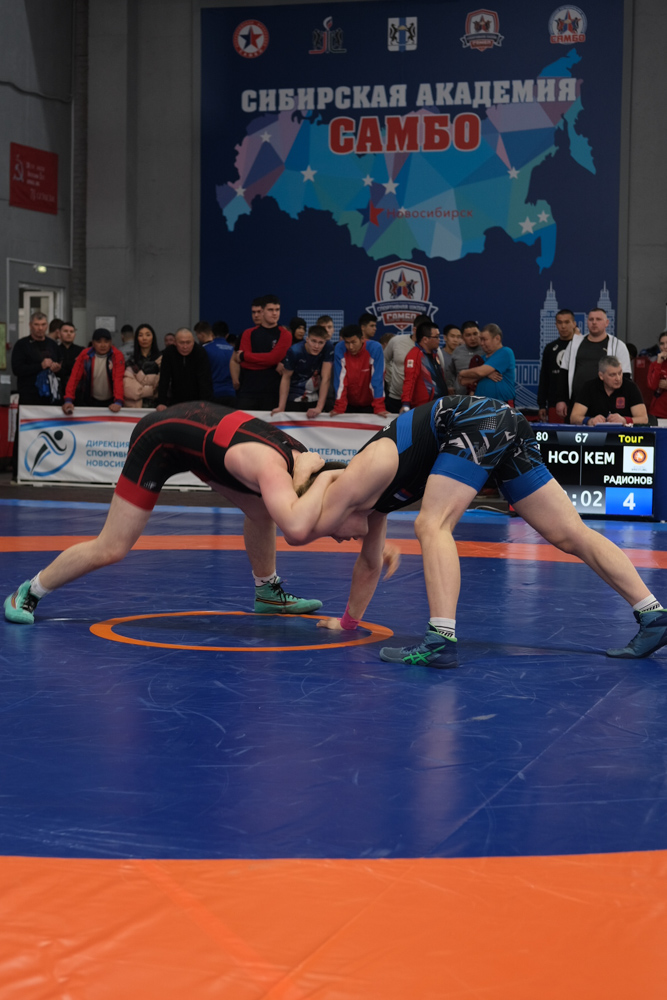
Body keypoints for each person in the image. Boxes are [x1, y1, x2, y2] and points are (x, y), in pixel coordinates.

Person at [295, 396, 667, 665]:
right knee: (570, 533)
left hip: (479, 422)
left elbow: (298, 527)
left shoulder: (356, 476)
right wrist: (347, 623)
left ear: (333, 501)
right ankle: (653, 615)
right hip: (502, 425)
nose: (339, 537)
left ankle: (440, 640)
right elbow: (369, 564)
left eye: (333, 530)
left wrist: (315, 474)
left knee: (432, 524)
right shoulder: (371, 507)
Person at [4, 403, 334, 626]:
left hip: (202, 436)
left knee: (261, 510)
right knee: (112, 547)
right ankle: (30, 591)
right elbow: (296, 527)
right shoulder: (275, 471)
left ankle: (268, 593)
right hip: (160, 440)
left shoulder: (303, 463)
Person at [556, 309, 631, 418]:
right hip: (577, 402)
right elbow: (563, 373)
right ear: (587, 322)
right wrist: (561, 400)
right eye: (591, 319)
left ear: (606, 323)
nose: (594, 322)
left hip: (606, 403)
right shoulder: (574, 344)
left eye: (598, 319)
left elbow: (626, 377)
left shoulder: (618, 346)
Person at [233, 294, 292, 410]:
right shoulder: (248, 333)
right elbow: (244, 364)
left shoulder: (285, 334)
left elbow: (274, 358)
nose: (275, 313)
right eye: (270, 310)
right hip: (248, 390)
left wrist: (245, 356)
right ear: (262, 311)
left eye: (277, 310)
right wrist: (270, 363)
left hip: (273, 392)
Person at [272, 324, 333, 417]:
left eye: (321, 343)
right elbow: (286, 378)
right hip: (293, 397)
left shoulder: (328, 347)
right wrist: (281, 407)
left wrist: (319, 407)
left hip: (314, 398)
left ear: (325, 342)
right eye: (313, 341)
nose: (316, 346)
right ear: (307, 339)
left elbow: (326, 378)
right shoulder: (295, 351)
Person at [570, 356, 648, 426]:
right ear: (601, 376)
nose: (618, 378)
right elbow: (574, 417)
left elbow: (644, 419)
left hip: (623, 434)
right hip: (596, 434)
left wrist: (625, 420)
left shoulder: (631, 387)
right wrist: (590, 421)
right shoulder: (589, 387)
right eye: (612, 375)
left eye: (620, 373)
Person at [62, 328, 125, 413]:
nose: (103, 345)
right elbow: (74, 377)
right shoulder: (85, 355)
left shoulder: (117, 356)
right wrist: (68, 399)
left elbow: (118, 379)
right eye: (99, 342)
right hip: (89, 400)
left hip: (111, 401)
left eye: (106, 342)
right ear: (93, 343)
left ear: (111, 342)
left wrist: (118, 401)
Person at [332, 325, 388, 416]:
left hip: (370, 404)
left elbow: (377, 379)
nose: (350, 347)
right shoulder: (340, 348)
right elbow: (340, 380)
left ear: (362, 339)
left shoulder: (375, 348)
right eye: (347, 342)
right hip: (348, 404)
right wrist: (339, 406)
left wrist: (379, 407)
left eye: (353, 342)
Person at [11, 311, 61, 405]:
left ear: (47, 325)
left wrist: (57, 368)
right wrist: (40, 366)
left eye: (43, 324)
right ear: (30, 325)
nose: (40, 328)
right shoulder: (22, 344)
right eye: (36, 324)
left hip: (50, 395)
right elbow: (17, 369)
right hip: (29, 395)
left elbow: (60, 363)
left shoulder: (53, 345)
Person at [457, 324, 515, 403]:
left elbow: (480, 372)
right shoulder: (479, 359)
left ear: (497, 338)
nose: (481, 343)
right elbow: (462, 381)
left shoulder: (506, 352)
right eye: (481, 339)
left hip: (502, 404)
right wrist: (486, 375)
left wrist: (462, 372)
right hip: (480, 404)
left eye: (484, 339)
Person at [537, 309, 578, 422]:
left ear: (574, 324)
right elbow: (544, 377)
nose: (563, 326)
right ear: (556, 325)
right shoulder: (550, 348)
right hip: (554, 403)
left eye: (567, 322)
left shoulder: (581, 346)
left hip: (578, 404)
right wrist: (542, 405)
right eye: (560, 322)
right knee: (555, 433)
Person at [156, 328, 213, 409]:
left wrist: (205, 403)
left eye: (188, 342)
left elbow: (205, 380)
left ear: (193, 341)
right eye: (181, 343)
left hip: (197, 400)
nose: (185, 347)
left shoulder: (200, 352)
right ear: (175, 342)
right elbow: (164, 379)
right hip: (175, 399)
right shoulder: (169, 353)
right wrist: (161, 402)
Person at [401, 322, 447, 409]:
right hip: (423, 408)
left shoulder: (435, 355)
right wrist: (406, 404)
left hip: (437, 405)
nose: (439, 340)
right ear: (425, 339)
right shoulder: (414, 355)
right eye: (436, 337)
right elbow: (410, 381)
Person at [123, 323, 162, 409]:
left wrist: (139, 381)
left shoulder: (161, 360)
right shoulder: (131, 361)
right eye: (141, 335)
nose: (144, 338)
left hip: (157, 408)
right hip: (136, 409)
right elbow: (129, 390)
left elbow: (162, 385)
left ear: (153, 337)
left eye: (148, 335)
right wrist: (152, 389)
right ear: (136, 338)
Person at [383, 328, 417, 412]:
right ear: (414, 329)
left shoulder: (431, 348)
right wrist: (390, 381)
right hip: (395, 397)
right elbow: (384, 360)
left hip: (419, 399)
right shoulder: (396, 341)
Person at [449, 321, 482, 394]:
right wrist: (450, 385)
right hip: (461, 395)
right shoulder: (457, 351)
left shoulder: (486, 350)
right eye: (468, 335)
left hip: (482, 394)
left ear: (480, 334)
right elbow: (450, 371)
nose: (472, 338)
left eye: (475, 334)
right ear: (462, 337)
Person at [647, 331, 667, 421]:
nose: (665, 347)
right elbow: (652, 386)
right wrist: (659, 363)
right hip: (657, 413)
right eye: (662, 344)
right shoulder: (654, 364)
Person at [57, 321, 80, 397]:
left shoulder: (81, 351)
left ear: (75, 334)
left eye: (71, 331)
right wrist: (73, 362)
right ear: (59, 334)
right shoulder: (54, 350)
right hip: (58, 389)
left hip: (77, 390)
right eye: (65, 331)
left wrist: (63, 366)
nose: (69, 334)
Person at [437, 325, 462, 393]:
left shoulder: (463, 356)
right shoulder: (438, 356)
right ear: (445, 338)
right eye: (452, 336)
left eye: (458, 337)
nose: (455, 340)